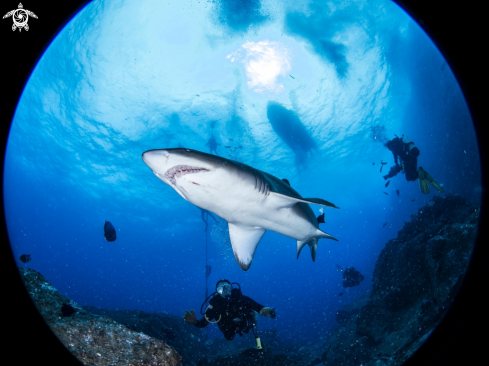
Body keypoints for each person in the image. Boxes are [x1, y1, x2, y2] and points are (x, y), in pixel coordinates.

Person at [183, 279, 276, 341]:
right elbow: (202, 323)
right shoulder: (215, 306)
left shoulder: (242, 299)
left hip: (244, 323)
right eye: (221, 289)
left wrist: (268, 311)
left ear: (231, 287)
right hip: (228, 329)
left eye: (226, 287)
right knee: (229, 337)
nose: (225, 291)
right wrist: (194, 322)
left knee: (249, 322)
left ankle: (251, 316)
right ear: (217, 293)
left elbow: (259, 308)